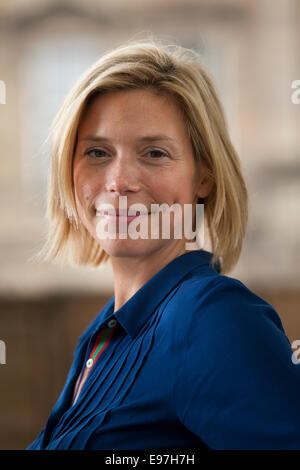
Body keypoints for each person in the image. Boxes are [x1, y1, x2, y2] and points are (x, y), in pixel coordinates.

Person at [27, 39, 300, 450]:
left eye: (154, 153)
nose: (119, 181)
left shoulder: (214, 319)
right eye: (97, 152)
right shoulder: (100, 336)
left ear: (204, 177)